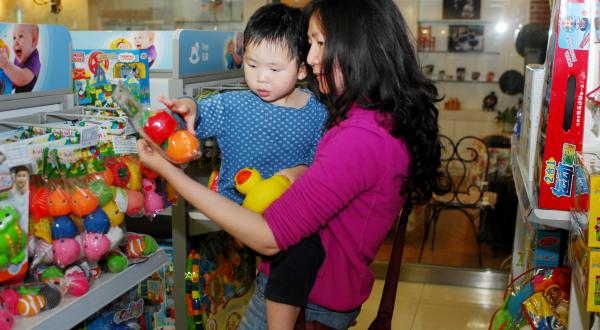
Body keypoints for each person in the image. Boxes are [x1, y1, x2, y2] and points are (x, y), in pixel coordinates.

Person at [137, 0, 444, 329]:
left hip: (310, 298)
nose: (311, 59)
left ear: (360, 44)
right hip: (312, 288)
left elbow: (270, 236)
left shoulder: (360, 135)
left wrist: (170, 172)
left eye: (321, 43)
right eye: (310, 43)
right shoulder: (373, 116)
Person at [144, 3, 328, 328]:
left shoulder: (317, 113)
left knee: (281, 293)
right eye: (253, 64)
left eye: (274, 68)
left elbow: (322, 171)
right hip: (234, 218)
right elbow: (197, 113)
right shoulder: (233, 104)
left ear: (302, 68)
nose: (260, 78)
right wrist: (186, 108)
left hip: (289, 225)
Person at [0, 24, 41, 93]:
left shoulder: (34, 61)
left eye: (20, 36)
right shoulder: (20, 56)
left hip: (28, 101)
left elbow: (21, 78)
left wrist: (6, 64)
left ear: (33, 40)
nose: (16, 42)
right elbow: (14, 78)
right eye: (14, 38)